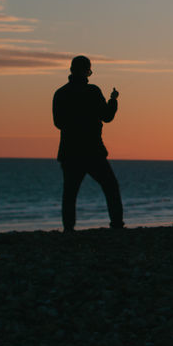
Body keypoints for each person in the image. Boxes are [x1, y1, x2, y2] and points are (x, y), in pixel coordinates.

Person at [52, 55, 124, 231]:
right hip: (93, 151)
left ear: (71, 69)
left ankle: (68, 229)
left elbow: (58, 123)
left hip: (70, 151)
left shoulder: (61, 93)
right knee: (110, 187)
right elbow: (107, 116)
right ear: (87, 71)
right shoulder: (92, 91)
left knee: (70, 193)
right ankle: (116, 225)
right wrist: (113, 100)